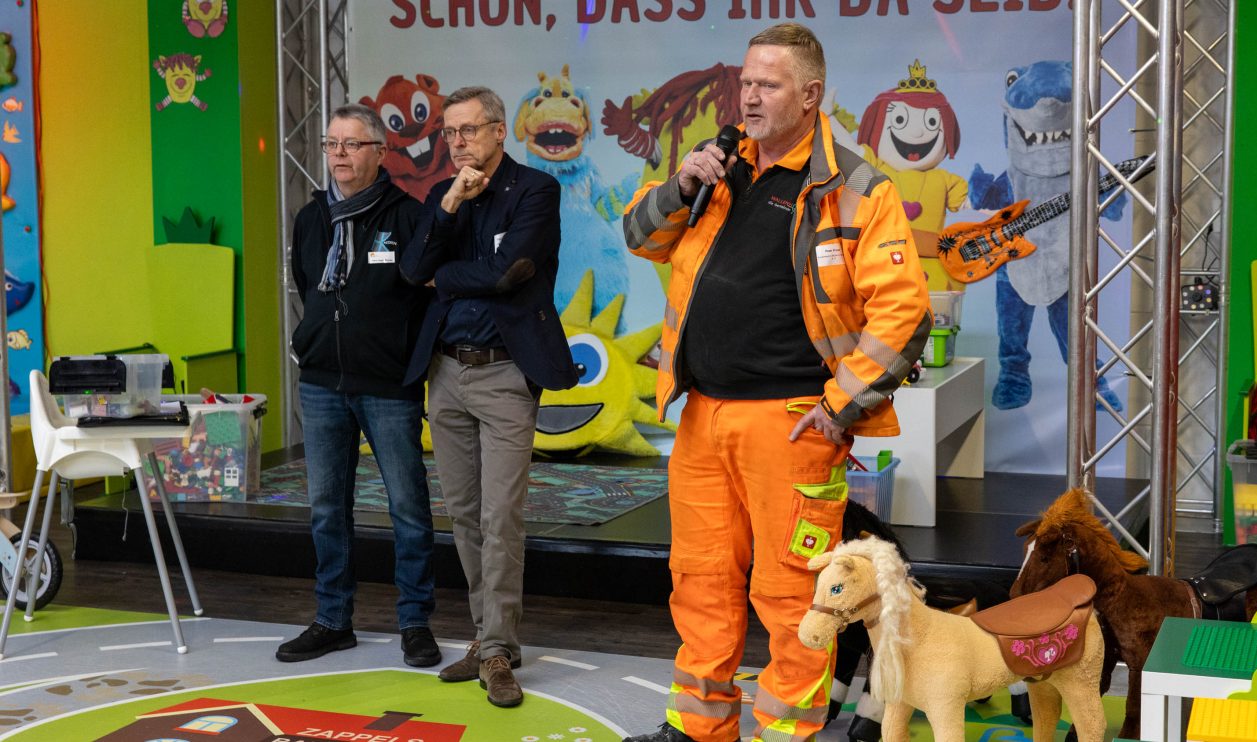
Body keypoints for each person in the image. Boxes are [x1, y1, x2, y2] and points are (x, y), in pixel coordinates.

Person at [620, 23, 932, 742]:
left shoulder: (855, 187)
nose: (747, 98)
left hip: (790, 423)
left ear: (810, 94)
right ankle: (699, 729)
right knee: (699, 581)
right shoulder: (720, 167)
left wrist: (837, 407)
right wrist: (682, 184)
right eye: (744, 83)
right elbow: (640, 237)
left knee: (793, 593)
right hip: (703, 416)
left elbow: (903, 313)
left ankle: (784, 734)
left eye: (767, 85)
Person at [400, 86, 577, 708]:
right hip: (445, 373)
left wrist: (442, 275)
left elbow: (511, 273)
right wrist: (448, 205)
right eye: (450, 133)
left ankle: (499, 650)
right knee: (466, 516)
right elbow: (408, 266)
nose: (458, 143)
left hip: (504, 375)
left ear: (501, 131)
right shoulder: (443, 195)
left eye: (469, 131)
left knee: (502, 519)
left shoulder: (535, 191)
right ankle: (485, 639)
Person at [278, 104, 441, 669]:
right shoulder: (311, 217)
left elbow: (422, 294)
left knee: (408, 508)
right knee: (327, 508)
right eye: (331, 144)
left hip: (388, 384)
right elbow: (308, 285)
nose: (339, 155)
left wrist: (400, 356)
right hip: (322, 383)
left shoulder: (408, 215)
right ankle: (332, 619)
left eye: (351, 144)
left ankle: (416, 622)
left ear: (379, 152)